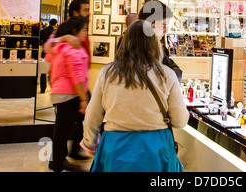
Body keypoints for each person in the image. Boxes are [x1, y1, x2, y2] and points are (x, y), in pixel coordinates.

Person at [81, 20, 189, 172]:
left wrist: (90, 142)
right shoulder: (167, 75)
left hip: (115, 146)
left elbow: (93, 115)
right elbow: (180, 121)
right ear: (154, 44)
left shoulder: (108, 73)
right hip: (156, 148)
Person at [45, 16, 90, 172]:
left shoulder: (61, 47)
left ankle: (61, 161)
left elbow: (48, 52)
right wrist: (83, 98)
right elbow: (77, 76)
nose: (86, 33)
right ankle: (58, 164)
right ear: (75, 31)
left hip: (61, 93)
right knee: (62, 133)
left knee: (62, 132)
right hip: (69, 95)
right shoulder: (73, 50)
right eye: (84, 29)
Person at [138, 0, 182, 81]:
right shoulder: (133, 48)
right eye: (163, 25)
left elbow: (175, 70)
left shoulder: (159, 48)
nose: (166, 31)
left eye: (167, 26)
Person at [39, 18, 57, 93]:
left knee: (43, 71)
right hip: (52, 53)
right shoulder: (55, 32)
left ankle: (42, 88)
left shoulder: (43, 31)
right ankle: (53, 87)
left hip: (44, 52)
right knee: (52, 70)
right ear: (55, 24)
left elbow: (40, 42)